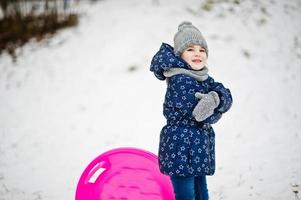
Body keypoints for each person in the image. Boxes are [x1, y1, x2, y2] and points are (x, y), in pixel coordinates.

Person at [150, 21, 233, 200]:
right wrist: (213, 104)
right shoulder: (180, 80)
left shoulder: (203, 78)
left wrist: (216, 98)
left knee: (201, 193)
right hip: (180, 149)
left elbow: (226, 94)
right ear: (180, 56)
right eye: (190, 49)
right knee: (186, 195)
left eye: (202, 50)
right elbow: (200, 115)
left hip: (196, 149)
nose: (197, 53)